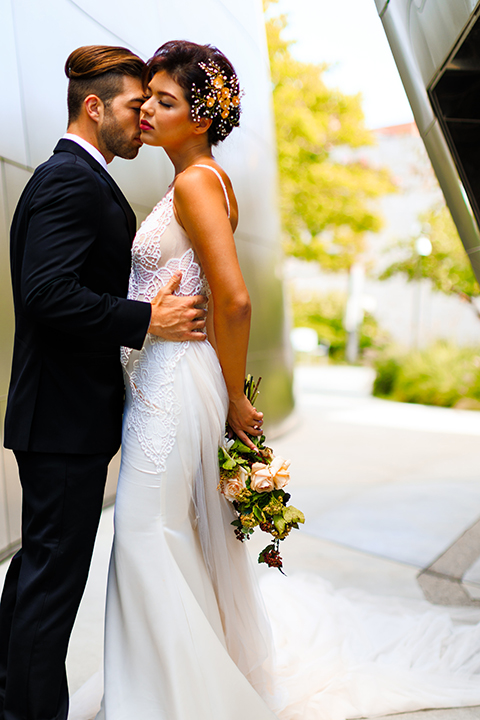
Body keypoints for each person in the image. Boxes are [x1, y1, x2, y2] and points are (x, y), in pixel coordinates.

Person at [71, 41, 480, 720]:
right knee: (165, 539)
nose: (146, 112)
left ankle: (164, 702)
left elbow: (233, 300)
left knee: (147, 537)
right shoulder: (196, 179)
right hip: (162, 381)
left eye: (164, 103)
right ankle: (162, 691)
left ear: (200, 117)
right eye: (147, 100)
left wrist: (234, 397)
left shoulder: (197, 182)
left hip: (173, 384)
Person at [0, 45, 208, 720]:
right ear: (95, 107)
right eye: (131, 104)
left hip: (61, 420)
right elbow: (46, 293)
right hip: (62, 422)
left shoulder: (79, 177)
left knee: (38, 579)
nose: (142, 116)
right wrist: (147, 317)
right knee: (51, 590)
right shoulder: (69, 180)